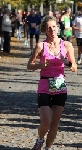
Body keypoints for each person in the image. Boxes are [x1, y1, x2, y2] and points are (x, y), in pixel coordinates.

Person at [27, 16, 77, 150]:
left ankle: (48, 148)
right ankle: (39, 139)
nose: (52, 30)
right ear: (45, 30)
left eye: (54, 26)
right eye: (49, 27)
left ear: (57, 27)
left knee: (54, 123)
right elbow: (29, 66)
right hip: (44, 86)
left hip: (60, 87)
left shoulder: (66, 45)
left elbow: (74, 68)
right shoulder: (40, 46)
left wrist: (67, 62)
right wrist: (40, 65)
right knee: (46, 122)